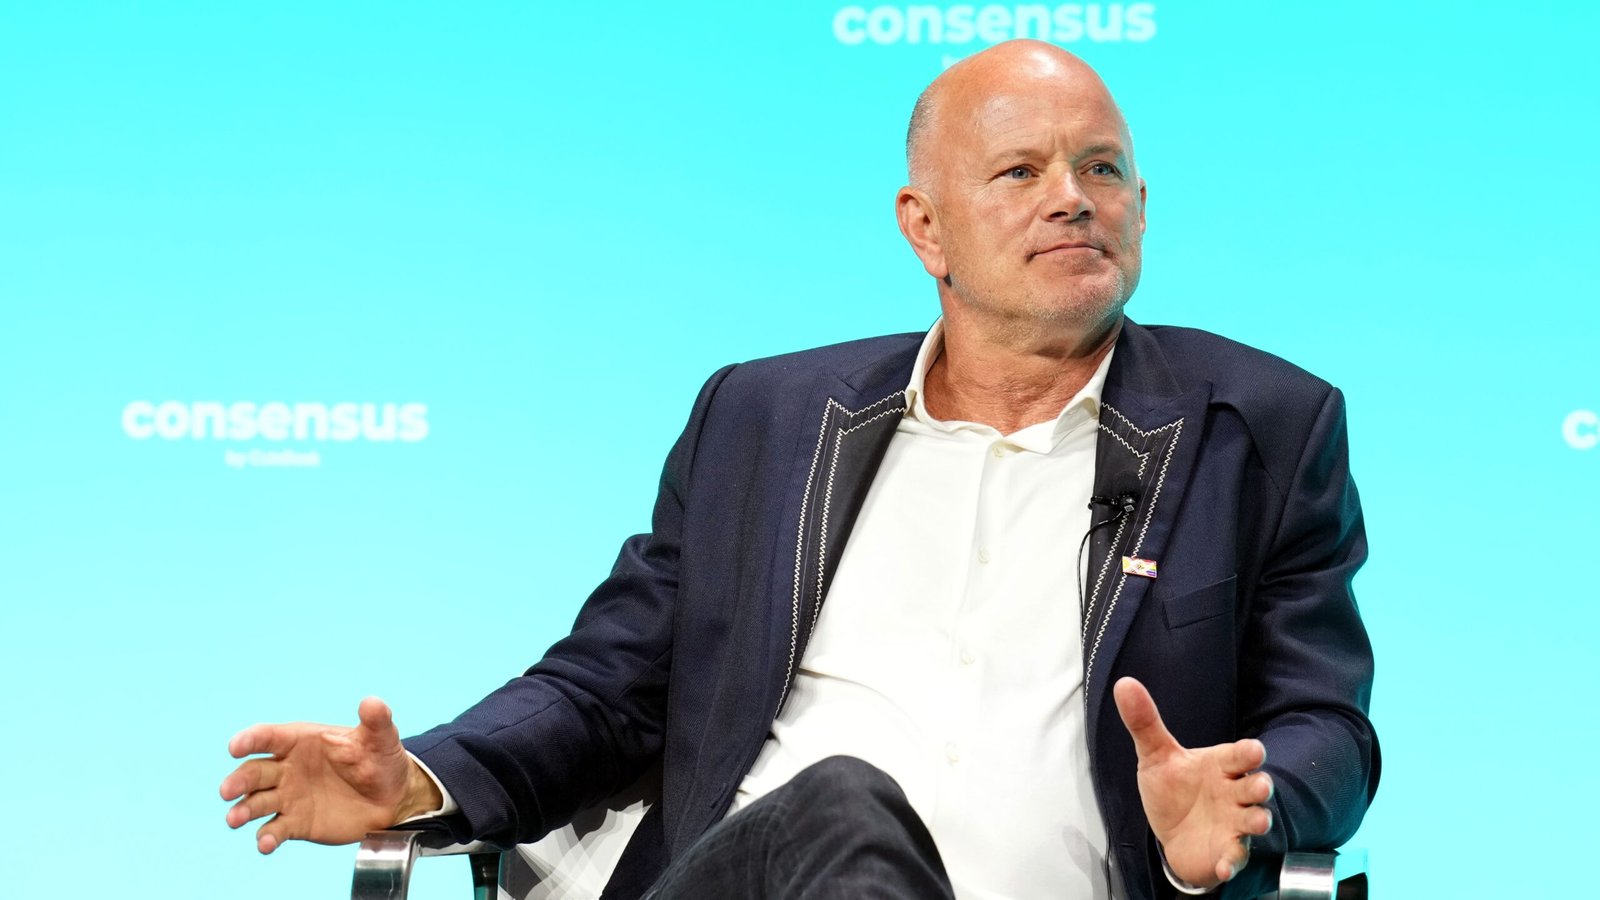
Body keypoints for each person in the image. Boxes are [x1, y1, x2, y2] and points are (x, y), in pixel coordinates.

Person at [221, 39, 1376, 900]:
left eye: (1102, 167)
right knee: (843, 805)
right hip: (754, 881)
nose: (1072, 197)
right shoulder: (762, 421)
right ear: (924, 228)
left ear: (1141, 206)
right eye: (1020, 172)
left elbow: (1325, 723)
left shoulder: (1258, 427)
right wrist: (422, 781)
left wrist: (1248, 801)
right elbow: (604, 687)